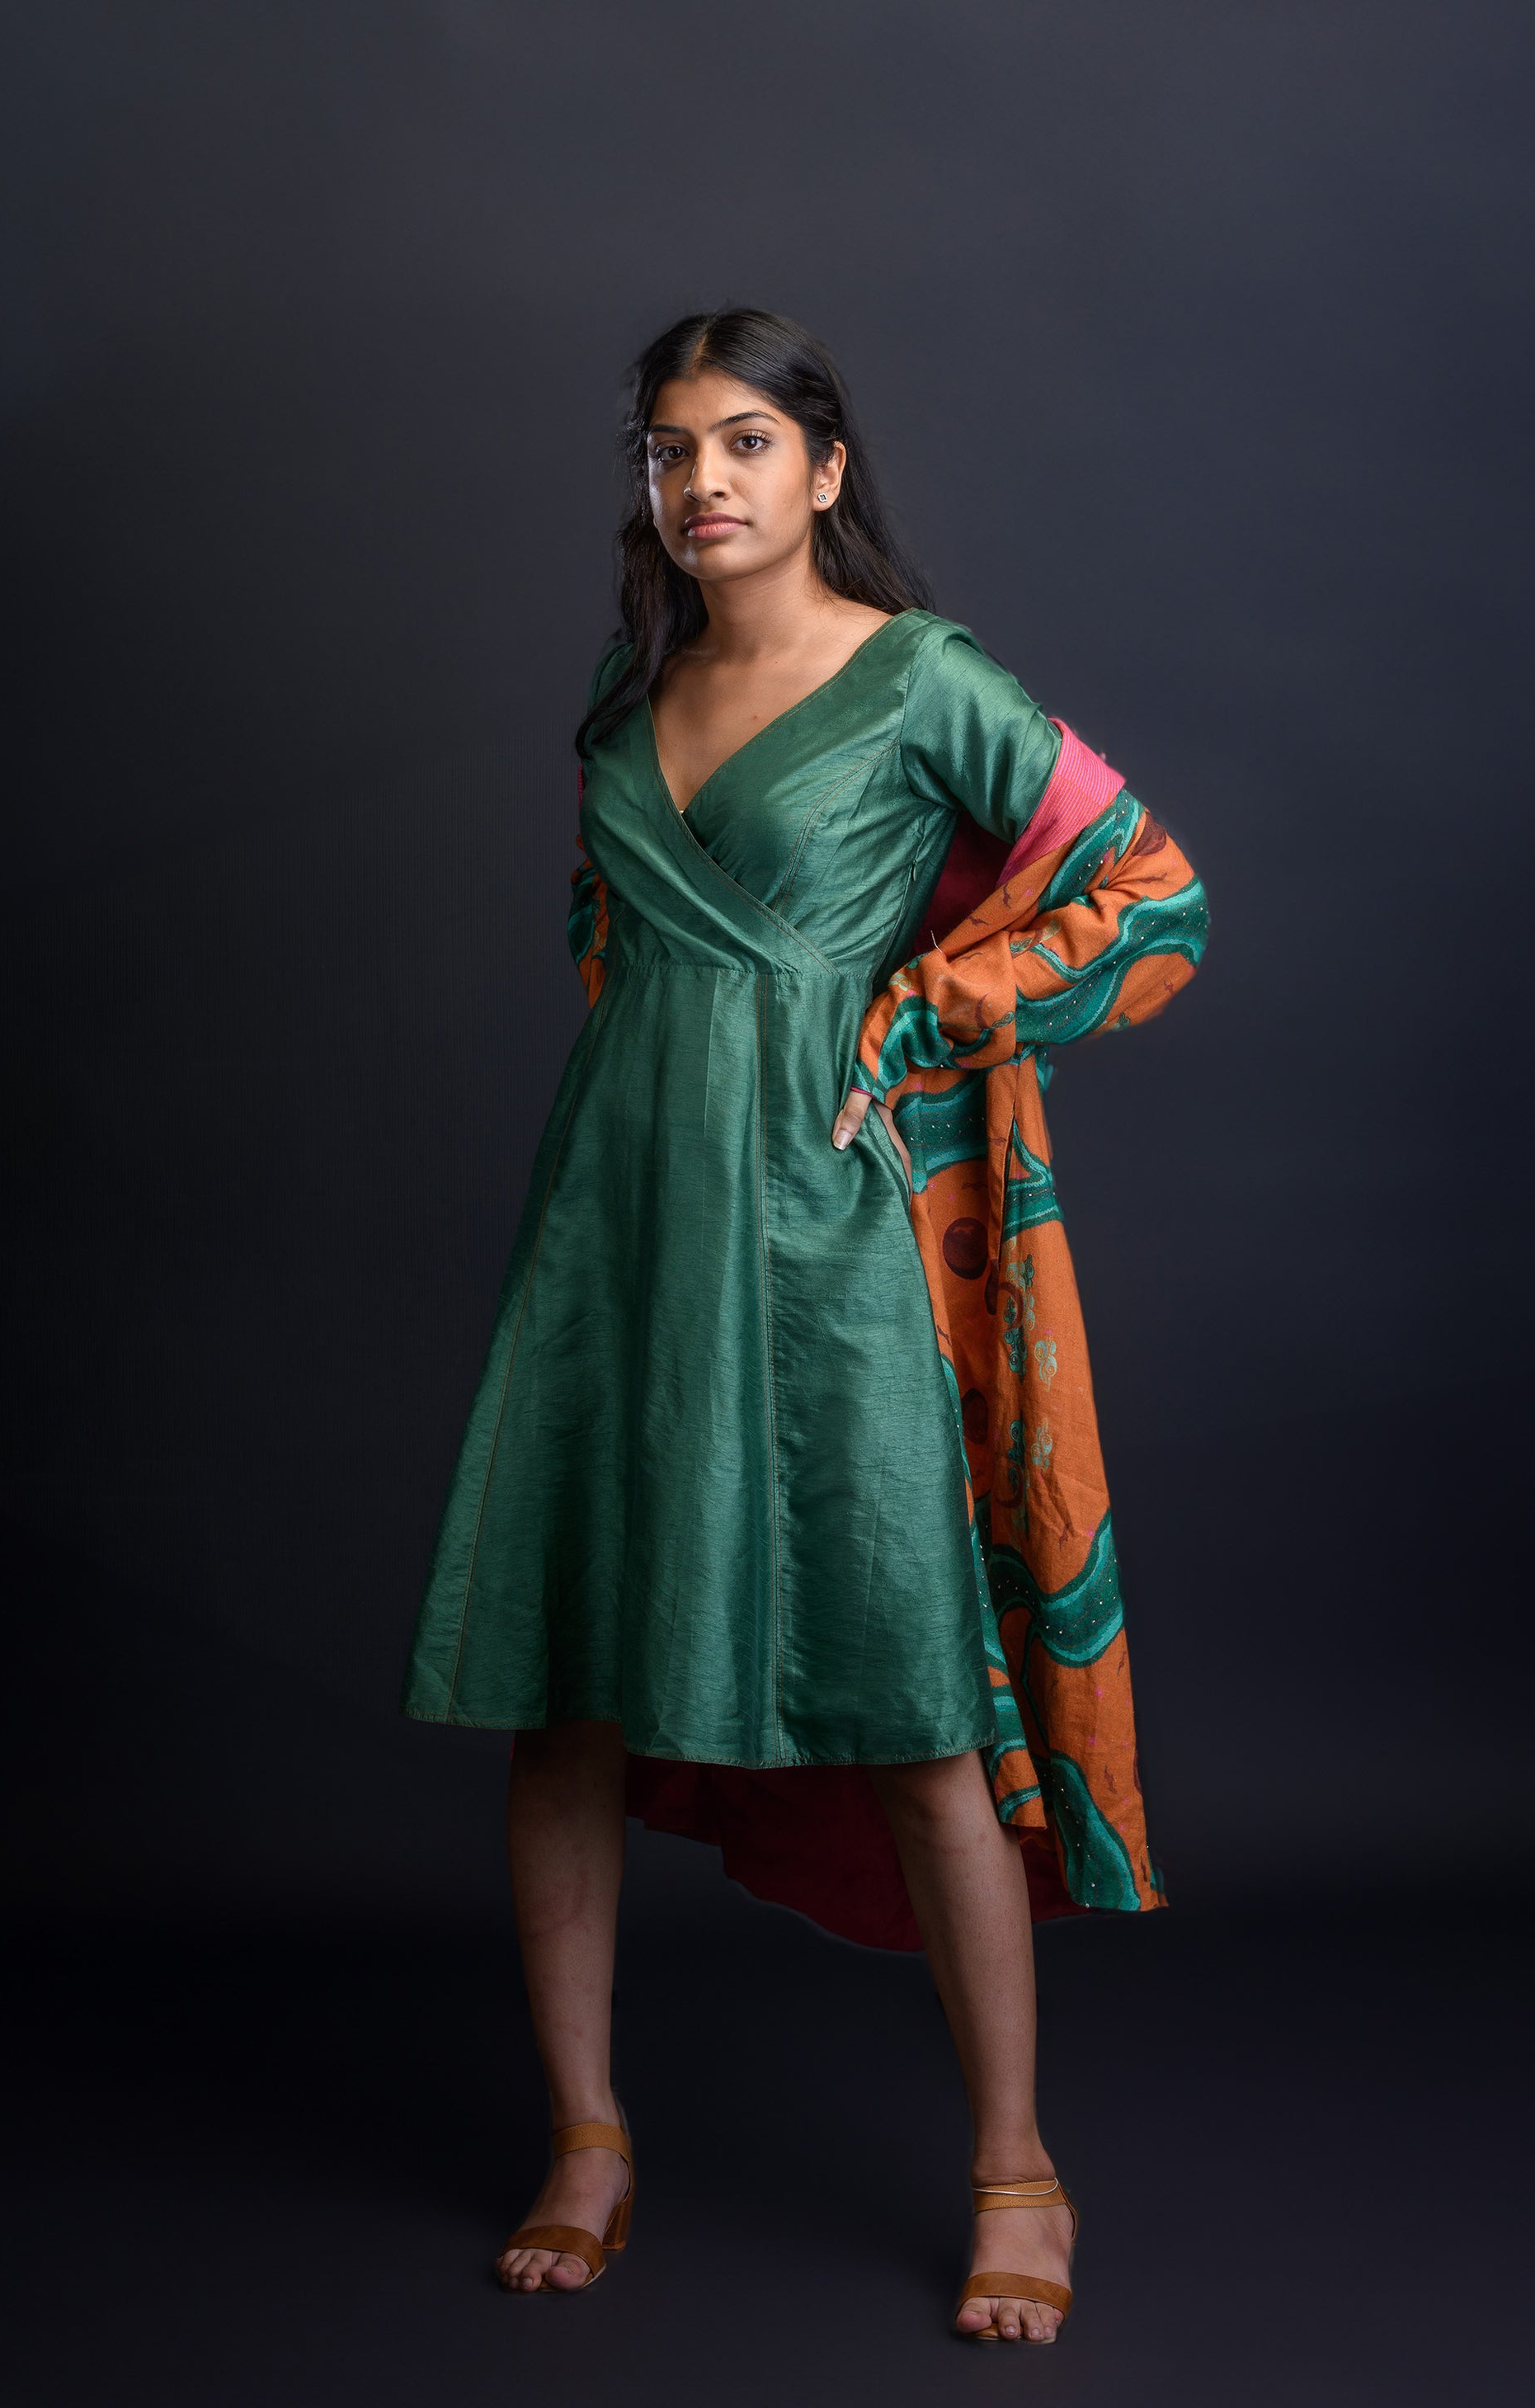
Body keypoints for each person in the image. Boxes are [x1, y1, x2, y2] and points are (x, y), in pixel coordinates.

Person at [402, 308, 1208, 2344]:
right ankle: (588, 2136)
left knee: (918, 1701)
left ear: (825, 469)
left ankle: (1015, 2165)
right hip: (616, 1231)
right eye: (672, 449)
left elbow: (1151, 895)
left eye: (747, 441)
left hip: (834, 1240)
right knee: (564, 1698)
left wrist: (930, 1013)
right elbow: (612, 946)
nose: (706, 482)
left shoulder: (924, 677)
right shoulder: (632, 686)